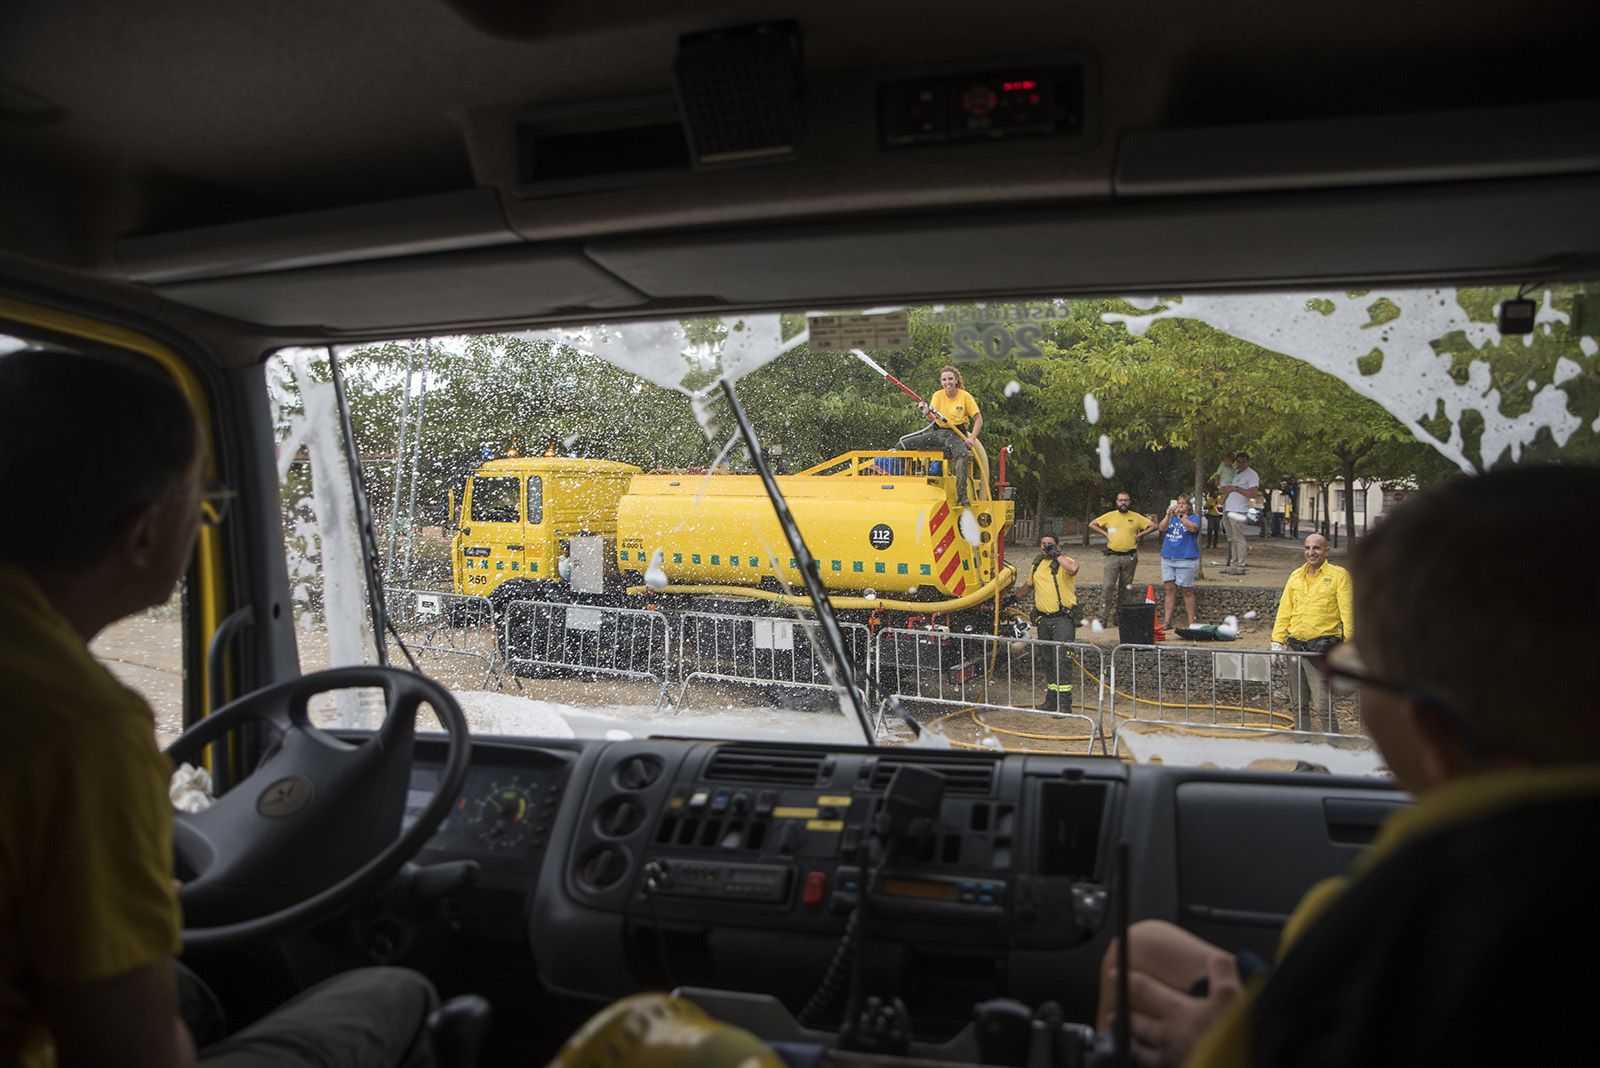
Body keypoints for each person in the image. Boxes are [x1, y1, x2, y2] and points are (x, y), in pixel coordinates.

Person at [0, 350, 439, 1068]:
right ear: (143, 534)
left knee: (192, 990)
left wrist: (130, 908)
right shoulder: (82, 729)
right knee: (396, 994)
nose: (207, 520)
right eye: (203, 499)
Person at [1095, 465, 1600, 1067]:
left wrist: (1220, 1044)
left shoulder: (1393, 911)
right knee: (1147, 945)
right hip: (1297, 646)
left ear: (1429, 727)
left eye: (1361, 669)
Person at [1270, 533, 1353, 733]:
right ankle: (1304, 747)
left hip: (1320, 650)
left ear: (1326, 551)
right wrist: (1277, 641)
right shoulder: (1296, 576)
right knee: (1298, 704)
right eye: (1307, 548)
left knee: (1323, 705)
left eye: (1316, 548)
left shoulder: (1338, 576)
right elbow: (1285, 610)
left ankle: (1332, 747)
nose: (1311, 552)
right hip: (1295, 647)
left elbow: (1348, 613)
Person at [897, 365, 982, 505]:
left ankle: (962, 496)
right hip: (938, 433)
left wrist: (972, 438)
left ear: (956, 380)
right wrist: (926, 412)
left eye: (950, 379)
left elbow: (978, 419)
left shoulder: (965, 396)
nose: (947, 382)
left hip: (956, 434)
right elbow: (932, 418)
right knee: (901, 445)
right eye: (944, 380)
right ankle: (908, 482)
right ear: (941, 382)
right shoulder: (937, 395)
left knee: (961, 454)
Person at [1016, 532, 1080, 710]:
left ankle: (1064, 704)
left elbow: (1074, 569)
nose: (1046, 546)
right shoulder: (1037, 564)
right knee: (1048, 660)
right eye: (1043, 543)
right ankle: (1051, 701)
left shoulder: (1064, 562)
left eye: (1050, 544)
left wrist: (1056, 555)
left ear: (1058, 546)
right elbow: (1029, 585)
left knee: (1063, 661)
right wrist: (1013, 598)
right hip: (1044, 620)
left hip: (1062, 620)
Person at [1088, 492, 1158, 626]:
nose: (1123, 503)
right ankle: (1102, 618)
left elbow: (1153, 526)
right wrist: (1105, 534)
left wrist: (1139, 535)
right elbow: (1092, 524)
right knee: (1108, 587)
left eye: (1126, 500)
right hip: (1112, 556)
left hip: (1130, 557)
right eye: (1120, 500)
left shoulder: (1135, 517)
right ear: (1116, 502)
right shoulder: (1110, 515)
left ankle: (1120, 618)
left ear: (1129, 502)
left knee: (1125, 589)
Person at [1156, 496, 1201, 632]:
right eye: (1179, 503)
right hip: (1168, 557)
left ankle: (1191, 622)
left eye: (1183, 503)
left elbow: (1193, 528)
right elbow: (1162, 528)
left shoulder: (1193, 518)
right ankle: (1167, 621)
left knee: (1187, 590)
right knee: (1169, 589)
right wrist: (1168, 515)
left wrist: (1181, 516)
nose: (1180, 505)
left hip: (1186, 558)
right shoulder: (1172, 517)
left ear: (1189, 506)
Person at [1217, 452, 1260, 574]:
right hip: (1227, 508)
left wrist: (1236, 489)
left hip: (1239, 509)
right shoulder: (1234, 473)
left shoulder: (1252, 474)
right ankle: (1233, 564)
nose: (1241, 464)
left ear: (1248, 462)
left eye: (1243, 462)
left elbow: (1253, 493)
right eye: (1239, 462)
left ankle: (1241, 566)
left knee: (1239, 538)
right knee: (1231, 538)